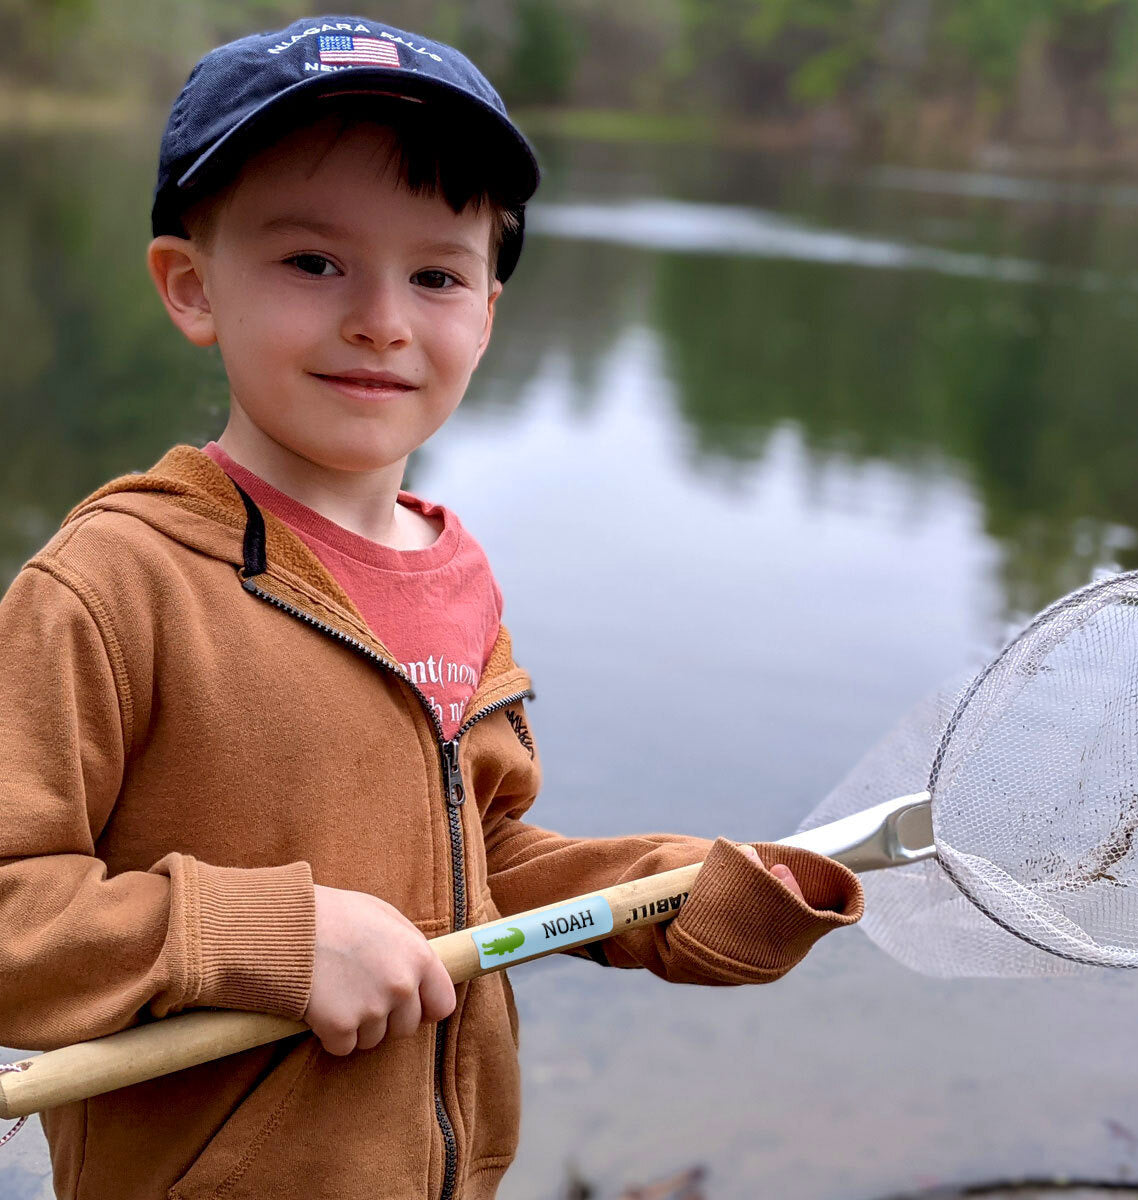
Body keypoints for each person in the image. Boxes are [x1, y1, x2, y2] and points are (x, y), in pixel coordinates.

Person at [0, 16, 864, 1199]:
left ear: (488, 312)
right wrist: (270, 940)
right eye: (313, 263)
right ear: (192, 288)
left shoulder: (459, 578)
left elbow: (480, 862)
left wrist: (675, 893)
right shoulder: (110, 585)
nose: (382, 320)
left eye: (437, 274)